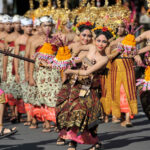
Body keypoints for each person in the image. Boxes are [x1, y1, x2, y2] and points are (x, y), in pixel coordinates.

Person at [55, 25, 113, 150]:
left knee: (82, 114)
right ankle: (73, 140)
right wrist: (72, 57)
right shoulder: (91, 47)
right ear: (95, 40)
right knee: (68, 110)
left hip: (89, 86)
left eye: (104, 42)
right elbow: (80, 47)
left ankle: (79, 142)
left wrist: (69, 71)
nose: (101, 44)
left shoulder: (104, 59)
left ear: (108, 43)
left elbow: (87, 73)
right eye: (98, 40)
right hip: (77, 84)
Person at [106, 20, 141, 127]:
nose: (120, 29)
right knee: (117, 92)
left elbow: (134, 53)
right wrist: (117, 50)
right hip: (115, 70)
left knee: (127, 92)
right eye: (117, 27)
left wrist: (138, 57)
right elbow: (107, 56)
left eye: (122, 27)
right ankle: (116, 115)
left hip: (128, 69)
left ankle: (127, 118)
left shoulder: (129, 39)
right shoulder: (111, 43)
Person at [2, 15, 22, 123]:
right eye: (15, 23)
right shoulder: (8, 39)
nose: (16, 26)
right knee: (10, 88)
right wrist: (4, 71)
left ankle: (19, 112)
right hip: (10, 65)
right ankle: (13, 113)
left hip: (21, 64)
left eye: (19, 23)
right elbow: (5, 55)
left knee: (20, 88)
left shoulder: (23, 37)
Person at [14, 17, 33, 124]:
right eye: (26, 26)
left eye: (30, 26)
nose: (29, 29)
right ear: (22, 27)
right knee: (25, 91)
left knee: (34, 92)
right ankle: (29, 117)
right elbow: (16, 57)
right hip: (22, 68)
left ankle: (35, 116)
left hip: (34, 67)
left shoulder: (36, 38)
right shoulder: (19, 40)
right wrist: (16, 73)